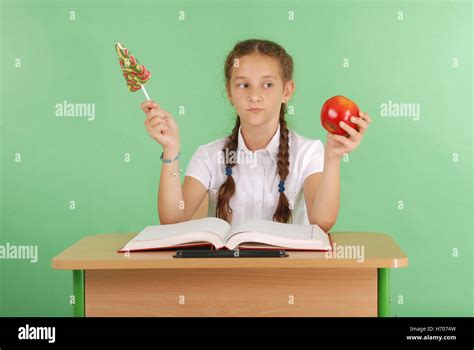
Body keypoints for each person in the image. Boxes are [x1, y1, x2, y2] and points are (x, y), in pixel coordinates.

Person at [140, 39, 371, 231]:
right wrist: (171, 150)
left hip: (290, 279)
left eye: (267, 85)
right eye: (243, 85)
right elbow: (173, 221)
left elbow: (322, 221)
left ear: (287, 91)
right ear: (230, 92)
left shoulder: (308, 151)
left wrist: (333, 158)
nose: (255, 96)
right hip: (224, 278)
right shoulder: (209, 155)